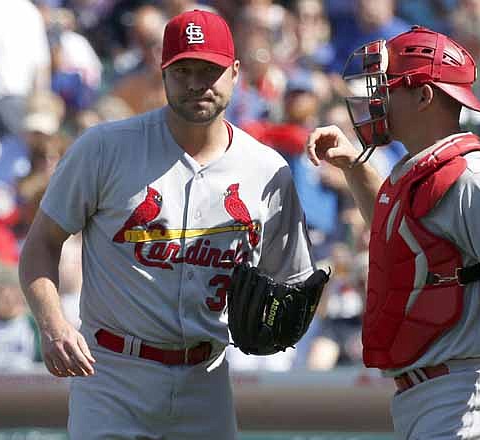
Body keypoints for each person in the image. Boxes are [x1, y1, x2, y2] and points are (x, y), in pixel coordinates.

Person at [19, 10, 316, 440]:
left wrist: (280, 315)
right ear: (163, 74)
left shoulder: (267, 171)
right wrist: (53, 324)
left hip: (206, 377)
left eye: (209, 70)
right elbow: (41, 244)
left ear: (235, 73)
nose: (196, 82)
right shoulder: (105, 148)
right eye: (183, 70)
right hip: (114, 374)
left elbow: (292, 280)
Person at [306, 26, 480, 439]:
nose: (376, 100)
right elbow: (397, 231)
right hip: (432, 396)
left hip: (471, 394)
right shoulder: (418, 171)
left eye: (388, 87)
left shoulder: (475, 176)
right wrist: (353, 166)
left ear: (424, 95)